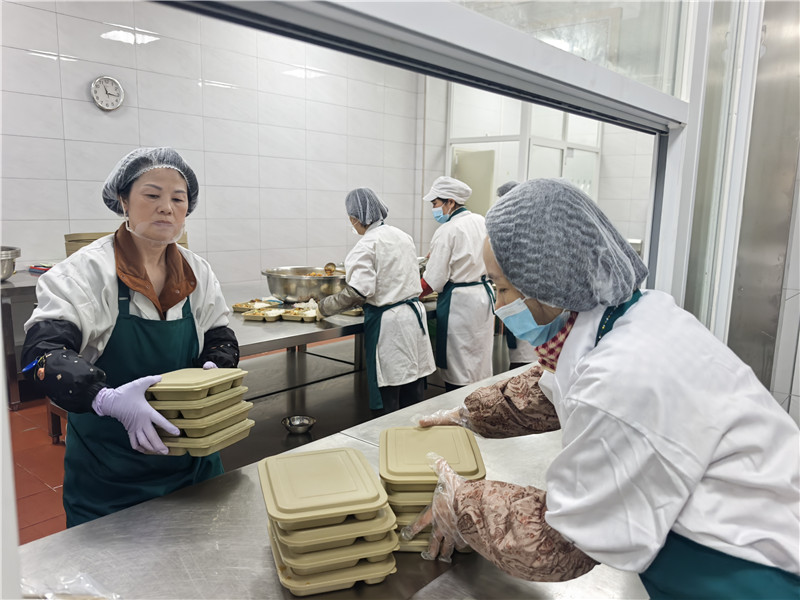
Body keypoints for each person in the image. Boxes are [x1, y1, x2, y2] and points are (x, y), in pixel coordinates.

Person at [403, 179, 800, 598]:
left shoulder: (623, 376)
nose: (499, 306)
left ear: (548, 283)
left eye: (501, 288)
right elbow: (556, 386)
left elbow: (561, 538)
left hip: (751, 574)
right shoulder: (629, 317)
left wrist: (462, 504)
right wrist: (472, 413)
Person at [22, 147, 240, 528]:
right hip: (111, 480)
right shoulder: (85, 272)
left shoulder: (198, 271)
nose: (166, 208)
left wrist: (215, 367)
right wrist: (106, 399)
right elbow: (41, 356)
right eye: (152, 195)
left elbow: (219, 334)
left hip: (194, 466)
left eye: (178, 199)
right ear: (123, 200)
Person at [316, 188, 435, 414]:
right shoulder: (402, 236)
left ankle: (387, 431)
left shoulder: (365, 246)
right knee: (412, 391)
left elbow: (358, 292)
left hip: (390, 325)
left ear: (355, 218)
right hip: (413, 316)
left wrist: (323, 307)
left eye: (350, 218)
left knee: (389, 391)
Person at [420, 176, 494, 391]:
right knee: (479, 355)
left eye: (435, 203)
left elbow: (434, 279)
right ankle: (481, 400)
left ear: (450, 202)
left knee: (459, 362)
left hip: (460, 303)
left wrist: (410, 294)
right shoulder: (481, 221)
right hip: (483, 295)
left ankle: (458, 402)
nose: (434, 209)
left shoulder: (448, 230)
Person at [495, 180, 538, 370]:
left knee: (523, 356)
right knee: (527, 352)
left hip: (526, 297)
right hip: (527, 298)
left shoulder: (521, 228)